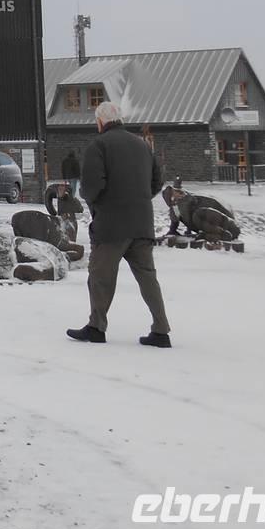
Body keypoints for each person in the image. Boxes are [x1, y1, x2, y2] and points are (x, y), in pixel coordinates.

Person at [68, 101, 172, 348]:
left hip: (111, 226)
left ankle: (96, 327)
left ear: (101, 122)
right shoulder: (142, 145)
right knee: (148, 278)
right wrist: (139, 198)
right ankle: (161, 330)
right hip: (142, 224)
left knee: (100, 277)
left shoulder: (99, 145)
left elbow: (91, 187)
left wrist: (96, 203)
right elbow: (158, 181)